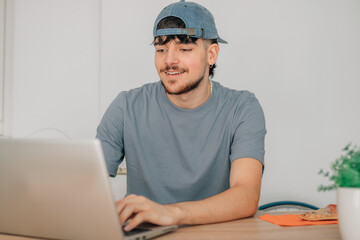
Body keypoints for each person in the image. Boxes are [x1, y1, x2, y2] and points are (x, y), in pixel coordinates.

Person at [96, 0, 266, 232]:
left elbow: (246, 195)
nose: (169, 60)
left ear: (212, 54)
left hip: (217, 236)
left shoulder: (242, 108)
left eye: (184, 49)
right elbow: (86, 185)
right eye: (161, 49)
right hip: (144, 235)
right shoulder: (126, 106)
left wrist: (171, 213)